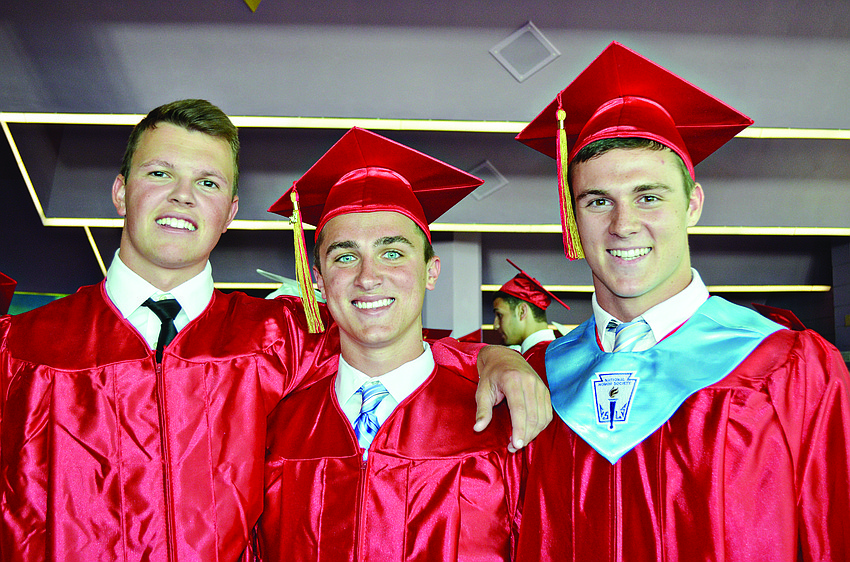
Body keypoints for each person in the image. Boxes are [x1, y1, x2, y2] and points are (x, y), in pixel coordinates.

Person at [0, 101, 547, 562]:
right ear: (121, 191)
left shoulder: (276, 338)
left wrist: (498, 359)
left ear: (230, 210)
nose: (182, 196)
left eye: (207, 182)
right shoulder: (19, 348)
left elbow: (385, 342)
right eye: (159, 173)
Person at [513, 41, 850, 561]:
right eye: (598, 201)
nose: (624, 224)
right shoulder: (537, 381)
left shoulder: (788, 367)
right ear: (574, 218)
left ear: (692, 204)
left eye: (649, 197)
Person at [259, 127, 540, 560]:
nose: (368, 277)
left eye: (392, 253)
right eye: (345, 256)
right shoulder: (277, 426)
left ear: (431, 271)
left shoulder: (502, 421)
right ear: (317, 278)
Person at [493, 259, 569, 376]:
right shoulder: (559, 352)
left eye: (500, 315)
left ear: (522, 311)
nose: (496, 325)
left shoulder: (536, 359)